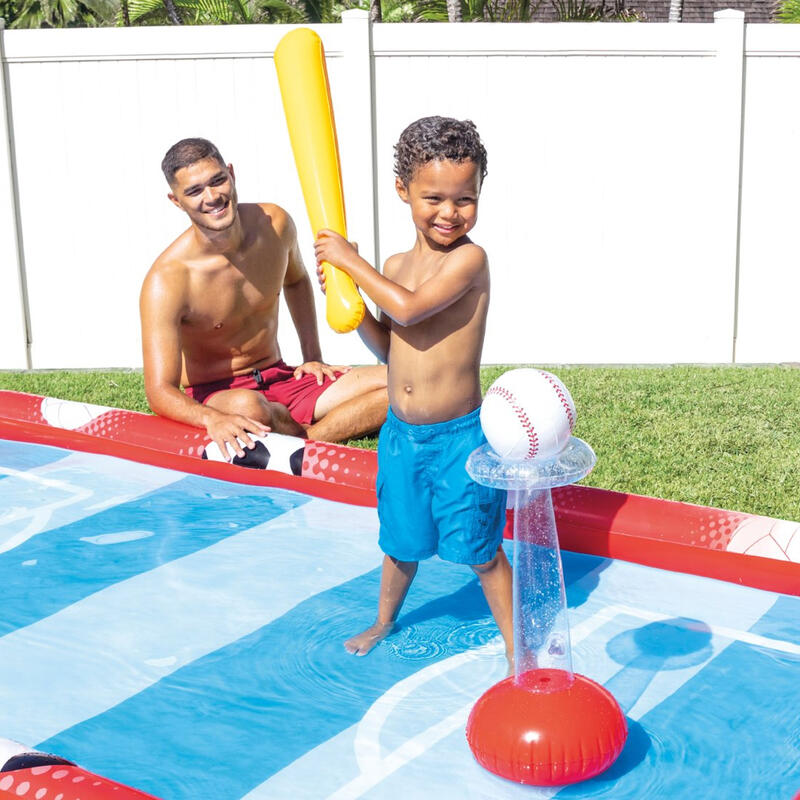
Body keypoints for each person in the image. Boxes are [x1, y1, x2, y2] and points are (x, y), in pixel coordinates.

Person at [313, 116, 513, 670]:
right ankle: (384, 620)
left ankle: (520, 649)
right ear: (403, 191)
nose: (450, 212)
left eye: (465, 199)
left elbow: (409, 307)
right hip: (402, 437)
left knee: (481, 552)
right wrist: (347, 295)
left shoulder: (470, 261)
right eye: (434, 198)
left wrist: (350, 260)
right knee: (399, 543)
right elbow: (389, 342)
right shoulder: (397, 267)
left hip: (459, 439)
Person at [140, 138, 388, 460]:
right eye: (195, 191)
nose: (212, 197)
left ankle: (305, 437)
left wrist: (312, 356)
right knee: (249, 407)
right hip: (221, 394)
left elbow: (297, 280)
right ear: (176, 201)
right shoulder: (168, 279)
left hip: (283, 377)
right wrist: (212, 418)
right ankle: (306, 428)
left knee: (403, 383)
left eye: (218, 181)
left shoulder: (275, 224)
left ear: (231, 174)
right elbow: (159, 392)